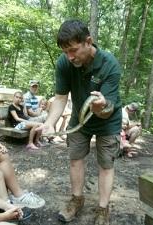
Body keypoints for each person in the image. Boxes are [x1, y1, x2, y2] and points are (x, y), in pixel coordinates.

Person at [37, 19, 122, 225]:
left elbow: (106, 110)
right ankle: (77, 200)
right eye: (66, 51)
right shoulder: (64, 62)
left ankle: (102, 209)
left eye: (74, 50)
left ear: (88, 42)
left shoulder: (109, 64)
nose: (70, 56)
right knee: (75, 159)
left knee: (106, 165)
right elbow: (60, 98)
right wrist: (49, 123)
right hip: (79, 119)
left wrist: (101, 107)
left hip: (107, 121)